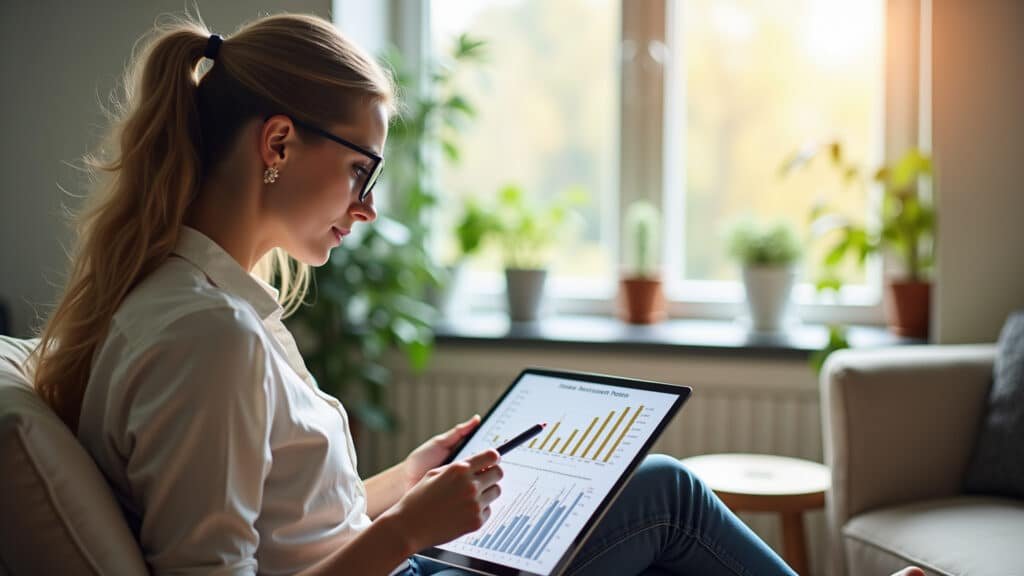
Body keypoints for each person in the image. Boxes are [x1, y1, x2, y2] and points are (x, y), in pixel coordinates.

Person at [26, 12, 923, 576]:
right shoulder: (209, 334)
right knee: (661, 494)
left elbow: (289, 525)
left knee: (634, 495)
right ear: (277, 145)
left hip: (390, 558)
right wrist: (410, 533)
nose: (368, 208)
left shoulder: (202, 303)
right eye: (359, 171)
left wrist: (404, 487)